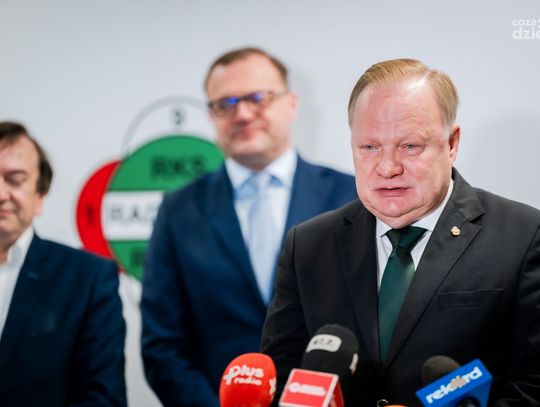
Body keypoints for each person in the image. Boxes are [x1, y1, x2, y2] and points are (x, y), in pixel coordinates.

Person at [261, 59, 540, 406]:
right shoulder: (307, 246)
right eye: (369, 147)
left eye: (410, 146)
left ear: (452, 143)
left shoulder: (524, 236)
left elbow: (533, 388)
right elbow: (281, 381)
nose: (388, 167)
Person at [140, 47, 357, 406]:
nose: (242, 114)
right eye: (224, 104)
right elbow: (162, 345)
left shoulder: (351, 195)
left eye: (258, 98)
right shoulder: (178, 210)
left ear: (291, 104)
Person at [0, 122, 127, 406]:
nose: (0, 194)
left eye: (15, 179)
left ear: (40, 196)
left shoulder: (87, 279)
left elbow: (104, 398)